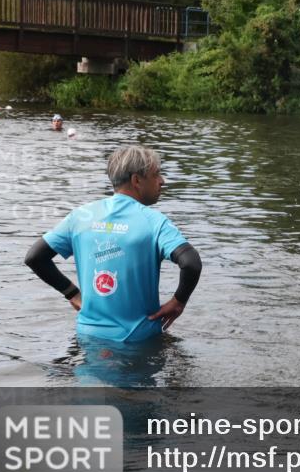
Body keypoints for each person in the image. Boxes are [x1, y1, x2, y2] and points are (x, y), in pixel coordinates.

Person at [24, 145, 202, 342]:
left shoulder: (81, 216)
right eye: (156, 174)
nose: (162, 181)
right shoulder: (154, 221)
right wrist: (178, 302)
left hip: (88, 336)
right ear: (136, 180)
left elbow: (35, 257)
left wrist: (72, 293)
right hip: (138, 341)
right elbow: (191, 263)